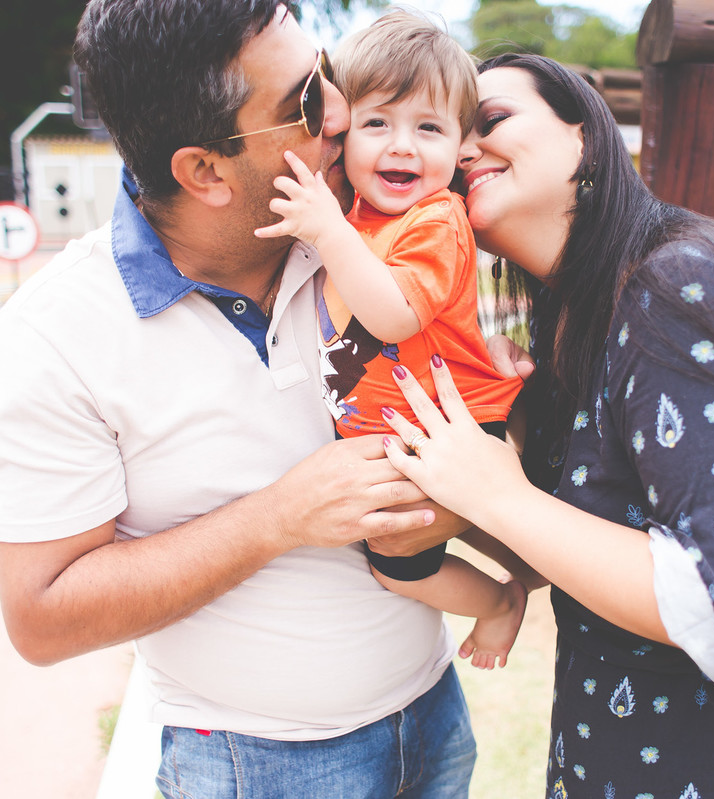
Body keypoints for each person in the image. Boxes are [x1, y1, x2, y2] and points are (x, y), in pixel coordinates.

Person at [0, 2, 493, 796]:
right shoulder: (55, 334)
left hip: (433, 715)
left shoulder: (362, 232)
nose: (344, 115)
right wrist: (278, 516)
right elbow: (42, 615)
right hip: (258, 766)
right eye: (305, 105)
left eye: (326, 75)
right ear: (204, 171)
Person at [376, 53, 714, 797]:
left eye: (491, 119)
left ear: (586, 140)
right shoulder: (577, 317)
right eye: (450, 131)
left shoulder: (677, 283)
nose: (461, 148)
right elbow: (566, 551)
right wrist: (498, 430)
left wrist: (502, 496)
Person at [255, 10, 527, 670]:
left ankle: (499, 602)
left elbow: (396, 314)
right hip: (408, 438)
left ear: (460, 147)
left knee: (398, 570)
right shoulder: (358, 213)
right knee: (429, 538)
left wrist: (328, 232)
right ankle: (515, 554)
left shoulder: (436, 220)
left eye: (428, 128)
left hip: (455, 434)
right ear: (342, 132)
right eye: (378, 123)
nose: (402, 146)